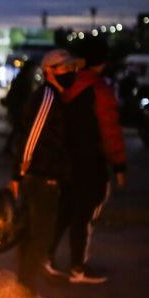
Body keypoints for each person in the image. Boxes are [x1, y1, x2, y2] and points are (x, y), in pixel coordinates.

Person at [45, 36, 127, 284]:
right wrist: (119, 165)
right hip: (92, 162)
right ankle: (78, 268)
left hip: (67, 162)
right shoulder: (99, 88)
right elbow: (109, 129)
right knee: (85, 215)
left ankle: (45, 257)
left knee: (66, 211)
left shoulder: (65, 85)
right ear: (103, 62)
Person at [9, 49, 83, 298]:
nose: (71, 73)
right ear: (50, 72)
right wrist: (19, 174)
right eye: (65, 68)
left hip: (44, 177)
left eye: (72, 67)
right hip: (39, 179)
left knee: (34, 239)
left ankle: (27, 293)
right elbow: (31, 138)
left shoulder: (53, 97)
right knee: (37, 240)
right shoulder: (48, 96)